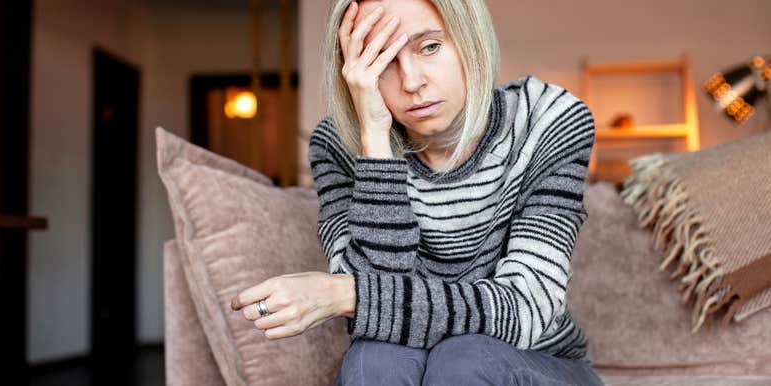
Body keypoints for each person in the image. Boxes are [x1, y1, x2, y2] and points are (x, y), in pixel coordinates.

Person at [231, 0, 604, 384]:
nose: (411, 82)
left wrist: (347, 295)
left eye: (429, 47)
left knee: (464, 359)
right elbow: (373, 321)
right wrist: (374, 140)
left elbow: (525, 311)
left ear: (469, 37)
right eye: (383, 61)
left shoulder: (549, 119)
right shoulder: (337, 145)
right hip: (403, 358)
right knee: (373, 359)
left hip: (539, 361)